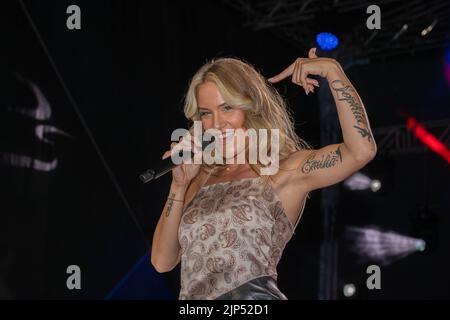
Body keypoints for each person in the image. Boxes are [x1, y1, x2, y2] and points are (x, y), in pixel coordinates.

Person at [151, 48, 377, 300]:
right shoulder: (200, 177)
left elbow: (360, 151)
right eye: (206, 113)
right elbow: (162, 261)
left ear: (250, 107)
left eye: (227, 108)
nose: (216, 124)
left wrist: (332, 71)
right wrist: (179, 185)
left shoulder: (283, 170)